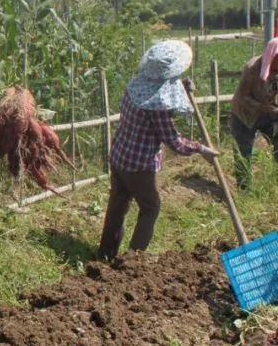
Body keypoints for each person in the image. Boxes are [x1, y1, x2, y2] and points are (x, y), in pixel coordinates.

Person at [96, 40, 217, 260]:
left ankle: (106, 254)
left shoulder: (137, 83)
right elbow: (174, 142)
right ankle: (134, 260)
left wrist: (183, 86)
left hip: (120, 156)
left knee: (118, 205)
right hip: (139, 166)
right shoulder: (158, 104)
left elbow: (165, 86)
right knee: (151, 207)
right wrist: (201, 149)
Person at [228, 37, 278, 189]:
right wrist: (266, 108)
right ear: (272, 55)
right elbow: (243, 97)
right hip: (244, 115)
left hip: (269, 113)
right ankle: (245, 192)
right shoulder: (253, 68)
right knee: (244, 155)